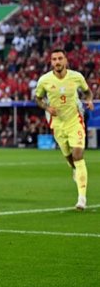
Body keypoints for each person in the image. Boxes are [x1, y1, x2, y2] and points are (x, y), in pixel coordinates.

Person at [34, 48, 94, 210]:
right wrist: (47, 107)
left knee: (78, 154)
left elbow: (88, 92)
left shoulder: (76, 77)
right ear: (51, 62)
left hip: (75, 120)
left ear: (66, 60)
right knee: (68, 157)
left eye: (60, 58)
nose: (57, 62)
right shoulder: (44, 80)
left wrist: (89, 101)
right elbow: (38, 98)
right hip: (57, 123)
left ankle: (82, 198)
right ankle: (75, 170)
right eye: (54, 59)